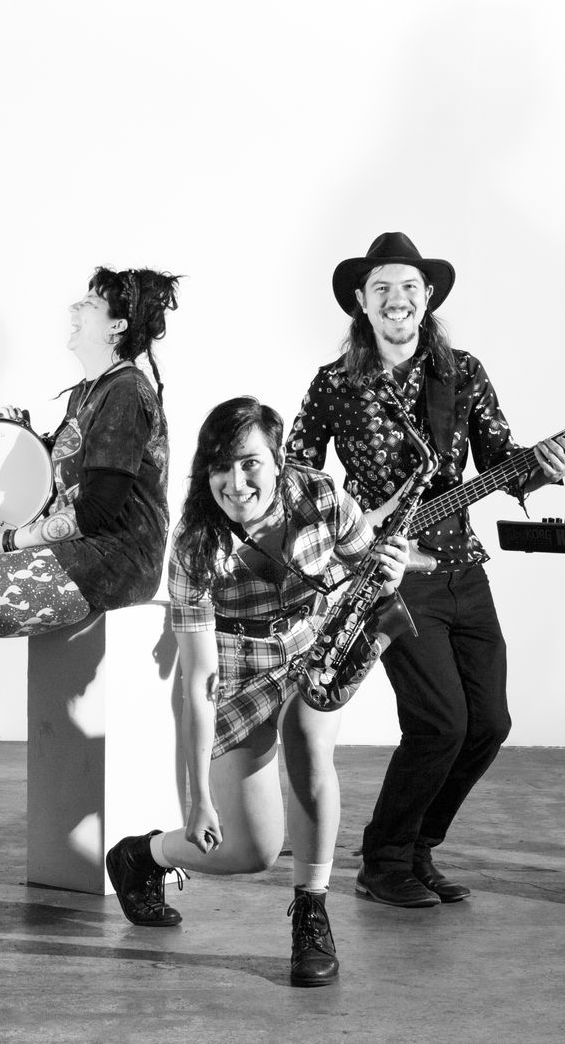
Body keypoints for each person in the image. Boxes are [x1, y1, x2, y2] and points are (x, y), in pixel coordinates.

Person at [286, 231, 565, 909]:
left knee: (489, 723)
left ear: (428, 298)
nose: (398, 298)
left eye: (410, 287)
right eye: (382, 287)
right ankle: (383, 859)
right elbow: (297, 475)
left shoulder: (462, 372)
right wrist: (347, 525)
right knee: (439, 723)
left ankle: (418, 847)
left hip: (462, 567)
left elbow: (502, 460)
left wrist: (543, 465)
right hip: (391, 574)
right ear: (361, 302)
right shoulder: (335, 384)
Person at [106, 397, 412, 987]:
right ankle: (141, 856)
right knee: (251, 853)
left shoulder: (321, 496)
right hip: (238, 669)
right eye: (220, 466)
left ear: (278, 459)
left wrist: (392, 569)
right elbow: (198, 679)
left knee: (309, 742)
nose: (236, 481)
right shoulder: (194, 545)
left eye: (250, 463)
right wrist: (198, 798)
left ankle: (312, 915)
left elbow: (365, 572)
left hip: (314, 646)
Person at [0, 268, 179, 683]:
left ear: (117, 327)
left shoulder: (125, 392)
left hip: (114, 562)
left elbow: (96, 511)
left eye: (89, 303)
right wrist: (30, 445)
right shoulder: (89, 391)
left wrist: (4, 542)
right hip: (81, 549)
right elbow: (68, 483)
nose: (74, 308)